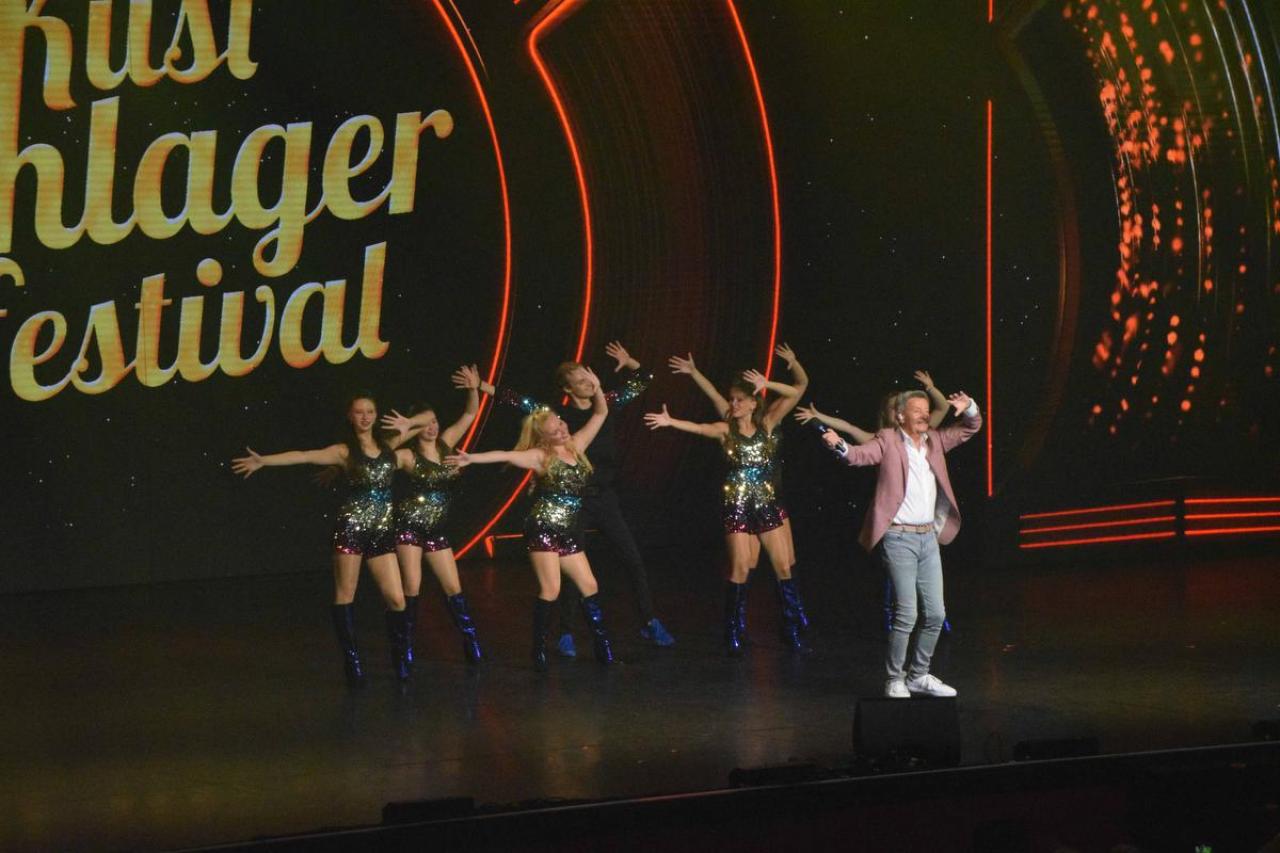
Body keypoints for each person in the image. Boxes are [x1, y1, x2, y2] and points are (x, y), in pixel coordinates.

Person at [503, 341, 675, 658]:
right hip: (574, 502)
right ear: (568, 389)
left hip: (605, 498)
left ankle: (649, 621)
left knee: (633, 559)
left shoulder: (605, 404)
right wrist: (483, 387)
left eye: (589, 377)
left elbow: (643, 379)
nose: (589, 382)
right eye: (580, 381)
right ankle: (566, 632)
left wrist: (630, 361)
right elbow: (521, 402)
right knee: (572, 569)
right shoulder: (561, 417)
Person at [231, 393, 413, 686]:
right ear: (350, 416)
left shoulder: (388, 446)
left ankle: (400, 657)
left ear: (376, 415)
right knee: (345, 595)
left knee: (396, 598)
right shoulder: (343, 452)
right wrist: (264, 460)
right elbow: (304, 455)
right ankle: (352, 662)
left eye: (370, 411)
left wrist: (409, 422)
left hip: (381, 532)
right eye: (359, 412)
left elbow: (428, 422)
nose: (365, 417)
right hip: (352, 529)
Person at [645, 344, 810, 655]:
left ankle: (791, 627)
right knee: (740, 567)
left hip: (766, 504)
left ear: (753, 403)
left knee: (782, 565)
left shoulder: (767, 424)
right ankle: (733, 629)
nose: (733, 404)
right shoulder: (726, 428)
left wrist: (768, 382)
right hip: (737, 506)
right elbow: (701, 426)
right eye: (731, 399)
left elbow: (798, 389)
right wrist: (672, 420)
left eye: (739, 400)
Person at [448, 369, 616, 670]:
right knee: (551, 589)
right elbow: (505, 455)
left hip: (568, 530)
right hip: (544, 529)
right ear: (544, 437)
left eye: (561, 425)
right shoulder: (540, 456)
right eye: (555, 431)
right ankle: (538, 650)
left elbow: (600, 413)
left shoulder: (578, 444)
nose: (562, 431)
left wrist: (599, 386)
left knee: (589, 584)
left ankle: (604, 649)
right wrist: (471, 458)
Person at [821, 388, 981, 698]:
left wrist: (971, 407)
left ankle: (918, 675)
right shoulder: (888, 440)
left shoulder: (935, 441)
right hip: (899, 538)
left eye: (926, 410)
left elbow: (971, 427)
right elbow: (859, 456)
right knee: (907, 613)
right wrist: (839, 445)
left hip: (928, 538)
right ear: (900, 416)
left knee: (936, 615)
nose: (924, 414)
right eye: (917, 410)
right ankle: (895, 677)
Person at [380, 365, 494, 666]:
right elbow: (380, 456)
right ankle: (404, 646)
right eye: (426, 423)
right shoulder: (408, 456)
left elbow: (470, 414)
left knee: (453, 587)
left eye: (434, 421)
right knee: (412, 587)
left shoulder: (447, 443)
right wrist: (405, 429)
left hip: (436, 530)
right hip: (409, 527)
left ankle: (471, 641)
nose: (432, 427)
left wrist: (473, 388)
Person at [794, 370, 950, 443]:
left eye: (901, 406)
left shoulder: (921, 430)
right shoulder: (880, 440)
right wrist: (819, 416)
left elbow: (943, 407)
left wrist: (931, 388)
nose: (898, 411)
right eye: (893, 408)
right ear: (885, 415)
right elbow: (849, 428)